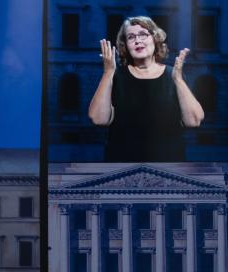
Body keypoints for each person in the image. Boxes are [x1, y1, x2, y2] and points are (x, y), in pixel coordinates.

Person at [88, 16, 205, 162]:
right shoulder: (115, 75)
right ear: (125, 45)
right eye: (131, 37)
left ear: (155, 39)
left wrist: (178, 80)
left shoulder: (173, 75)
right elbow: (98, 119)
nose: (137, 40)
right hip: (122, 168)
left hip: (168, 169)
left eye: (143, 34)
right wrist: (108, 72)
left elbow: (193, 121)